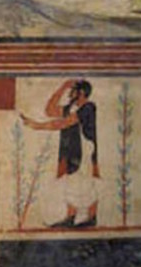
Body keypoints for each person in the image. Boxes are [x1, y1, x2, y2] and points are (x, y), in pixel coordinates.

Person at [21, 79, 99, 227]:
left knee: (84, 182)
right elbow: (49, 110)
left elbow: (63, 123)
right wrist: (62, 87)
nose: (70, 94)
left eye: (73, 91)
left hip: (85, 149)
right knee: (71, 181)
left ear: (81, 93)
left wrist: (37, 126)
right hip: (71, 149)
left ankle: (91, 216)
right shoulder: (71, 108)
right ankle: (72, 215)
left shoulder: (88, 107)